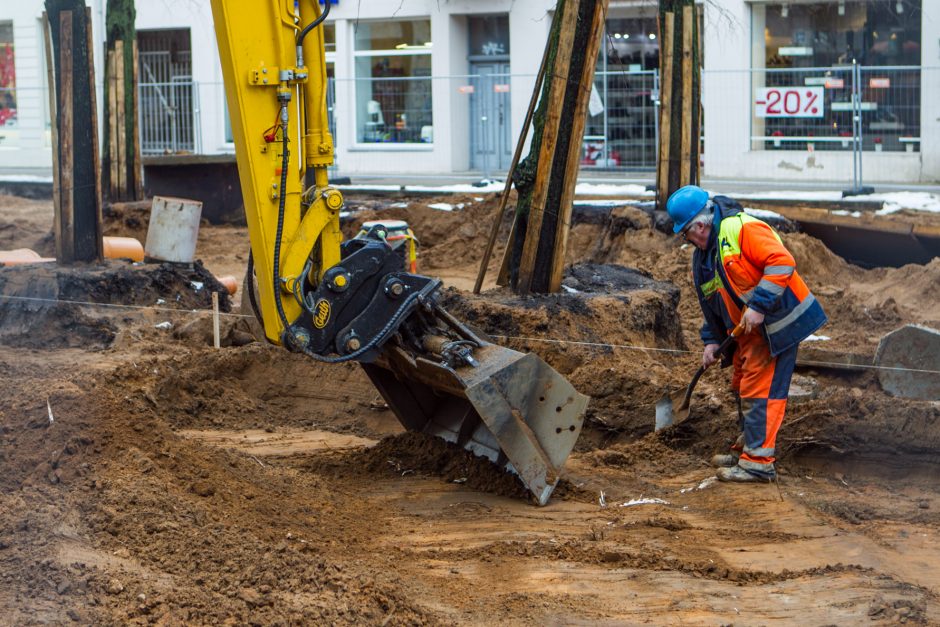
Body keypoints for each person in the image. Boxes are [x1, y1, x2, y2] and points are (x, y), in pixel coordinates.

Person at [666, 185, 827, 483]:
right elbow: (713, 302)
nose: (686, 241)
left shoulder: (740, 229)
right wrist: (711, 340)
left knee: (760, 391)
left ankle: (757, 462)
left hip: (776, 325)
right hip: (747, 332)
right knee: (741, 384)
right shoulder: (702, 257)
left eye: (685, 234)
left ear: (699, 226)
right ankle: (748, 448)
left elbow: (781, 262)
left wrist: (759, 306)